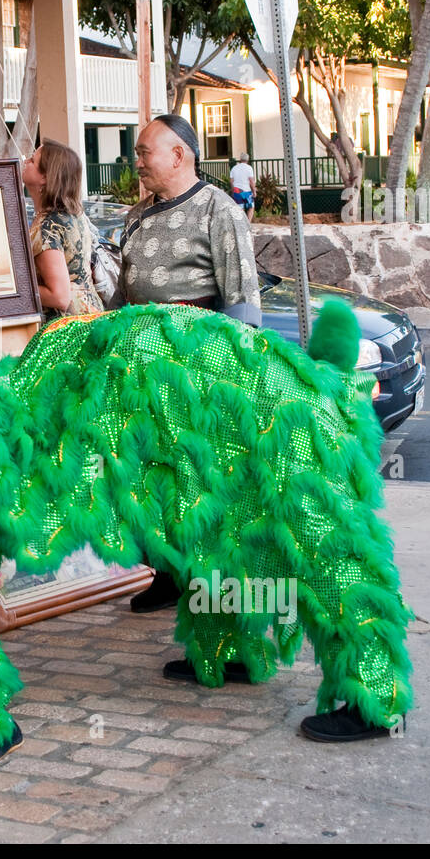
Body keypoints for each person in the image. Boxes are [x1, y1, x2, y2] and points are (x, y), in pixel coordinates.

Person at [122, 113, 261, 614]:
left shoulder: (219, 211)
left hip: (196, 370)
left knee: (195, 478)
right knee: (148, 472)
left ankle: (211, 591)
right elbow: (125, 290)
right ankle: (166, 572)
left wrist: (228, 382)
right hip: (141, 368)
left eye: (144, 153)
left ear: (179, 155)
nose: (136, 161)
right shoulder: (135, 215)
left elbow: (242, 300)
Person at [22, 140, 102, 320]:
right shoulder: (74, 215)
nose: (26, 161)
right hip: (91, 314)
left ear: (45, 177)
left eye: (33, 161)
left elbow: (59, 297)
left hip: (68, 329)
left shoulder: (48, 226)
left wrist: (16, 290)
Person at [230, 152, 256, 216]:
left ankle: (241, 224)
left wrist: (233, 190)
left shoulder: (234, 168)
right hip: (247, 191)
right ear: (248, 159)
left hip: (237, 191)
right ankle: (248, 224)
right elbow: (251, 181)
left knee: (239, 209)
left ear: (240, 159)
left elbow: (231, 181)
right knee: (251, 207)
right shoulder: (249, 168)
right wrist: (254, 191)